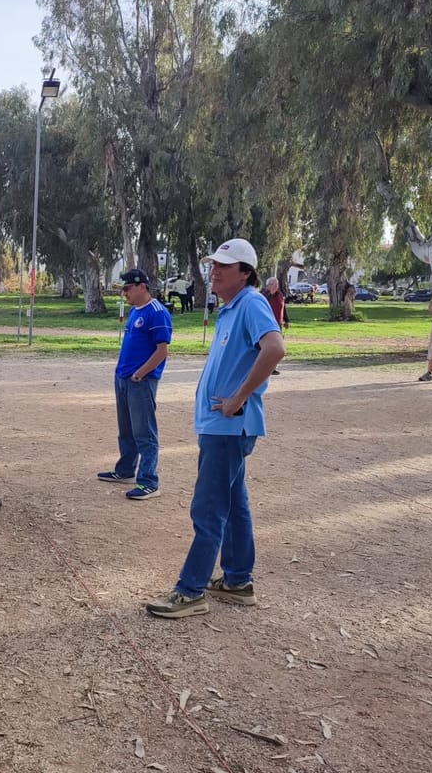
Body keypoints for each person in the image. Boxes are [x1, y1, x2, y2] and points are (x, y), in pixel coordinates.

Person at [146, 238, 285, 618]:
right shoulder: (231, 308)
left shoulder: (251, 302)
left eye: (224, 265)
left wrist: (239, 397)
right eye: (213, 264)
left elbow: (275, 348)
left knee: (209, 508)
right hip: (221, 427)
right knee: (234, 503)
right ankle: (238, 581)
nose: (214, 271)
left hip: (228, 428)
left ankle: (190, 591)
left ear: (246, 272)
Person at [97, 268, 172, 500]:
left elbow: (162, 351)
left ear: (142, 286)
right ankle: (126, 469)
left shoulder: (157, 312)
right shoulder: (133, 311)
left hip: (141, 381)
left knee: (144, 432)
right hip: (123, 378)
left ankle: (149, 481)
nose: (124, 293)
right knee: (126, 429)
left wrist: (141, 373)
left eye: (128, 288)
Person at [261, 277, 289, 375]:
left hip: (278, 324)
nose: (276, 286)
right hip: (267, 325)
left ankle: (273, 367)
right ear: (268, 285)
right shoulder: (263, 295)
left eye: (277, 284)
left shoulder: (280, 295)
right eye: (273, 284)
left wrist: (287, 320)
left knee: (278, 346)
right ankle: (263, 367)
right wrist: (271, 294)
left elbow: (283, 308)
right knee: (268, 347)